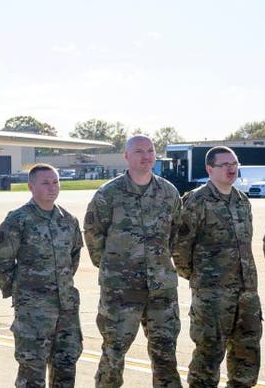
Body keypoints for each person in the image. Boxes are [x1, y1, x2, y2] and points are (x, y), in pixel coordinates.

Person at [83, 134, 181, 387]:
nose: (146, 156)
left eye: (150, 151)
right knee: (114, 353)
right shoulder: (108, 194)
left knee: (165, 354)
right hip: (121, 289)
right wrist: (112, 267)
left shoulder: (168, 193)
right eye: (138, 151)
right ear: (126, 156)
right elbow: (94, 234)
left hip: (161, 289)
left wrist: (161, 265)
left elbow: (177, 235)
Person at [171, 146, 261, 387]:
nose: (232, 168)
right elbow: (180, 247)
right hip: (212, 295)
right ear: (210, 169)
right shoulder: (196, 200)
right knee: (208, 355)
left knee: (247, 353)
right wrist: (201, 278)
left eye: (234, 163)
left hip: (246, 293)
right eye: (224, 165)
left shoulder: (242, 201)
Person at [0, 164, 83, 387]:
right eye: (45, 183)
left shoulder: (68, 220)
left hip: (66, 310)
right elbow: (2, 261)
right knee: (32, 372)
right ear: (31, 186)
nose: (52, 187)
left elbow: (73, 257)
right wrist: (20, 292)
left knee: (66, 368)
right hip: (34, 312)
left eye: (55, 182)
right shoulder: (18, 220)